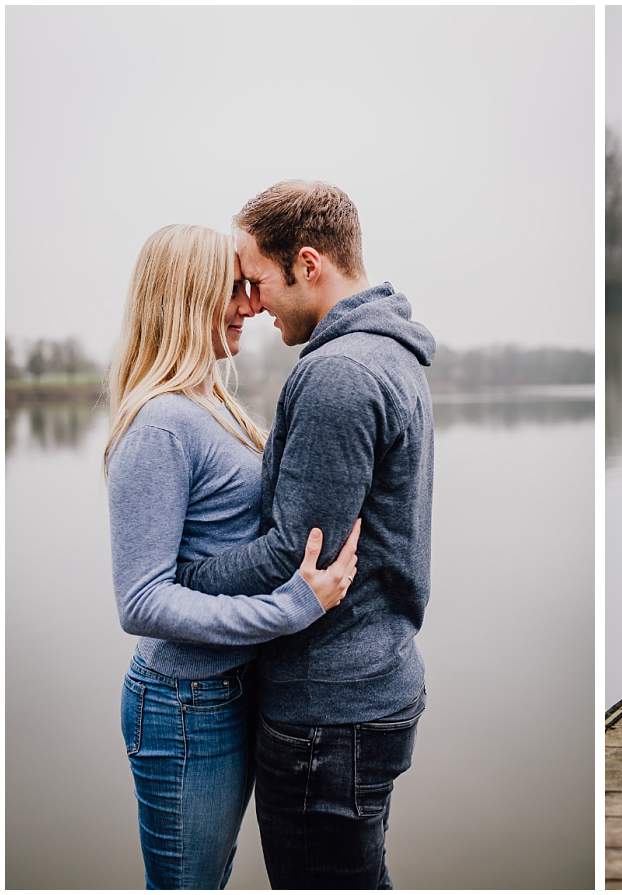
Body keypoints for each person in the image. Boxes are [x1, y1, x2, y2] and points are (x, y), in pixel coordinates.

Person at [174, 181, 437, 888]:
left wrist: (181, 580)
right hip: (368, 684)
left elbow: (296, 554)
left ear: (309, 264)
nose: (253, 305)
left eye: (258, 280)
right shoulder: (389, 355)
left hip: (328, 710)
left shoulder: (339, 374)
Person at [105, 224, 361, 889]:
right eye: (237, 289)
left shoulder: (208, 404)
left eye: (252, 289)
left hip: (225, 692)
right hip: (184, 703)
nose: (252, 304)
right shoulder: (161, 422)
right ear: (190, 298)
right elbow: (141, 600)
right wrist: (289, 608)